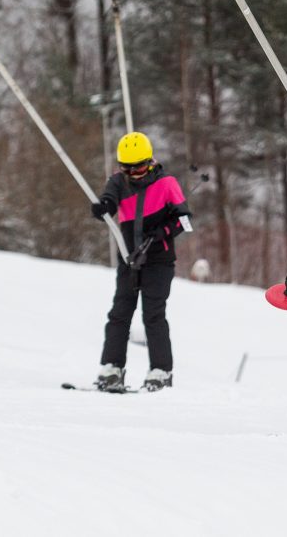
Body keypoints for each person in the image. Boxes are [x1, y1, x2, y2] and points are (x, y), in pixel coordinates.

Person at [89, 132, 192, 392]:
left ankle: (161, 371)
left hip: (159, 260)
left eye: (139, 167)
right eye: (128, 168)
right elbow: (109, 202)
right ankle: (112, 367)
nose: (134, 173)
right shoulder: (117, 182)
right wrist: (102, 208)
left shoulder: (167, 183)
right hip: (129, 258)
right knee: (120, 312)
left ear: (149, 161)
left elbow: (185, 221)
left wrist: (163, 232)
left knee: (153, 315)